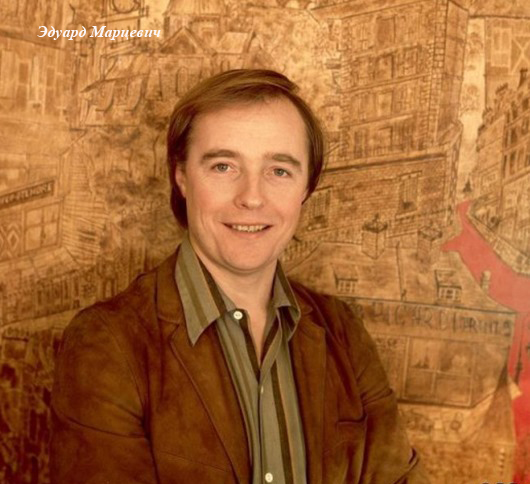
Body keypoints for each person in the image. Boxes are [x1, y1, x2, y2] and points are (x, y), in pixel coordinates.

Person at [50, 69, 429, 484]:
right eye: (223, 166)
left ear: (306, 187)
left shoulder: (343, 332)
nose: (251, 197)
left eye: (279, 171)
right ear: (181, 176)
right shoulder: (108, 343)